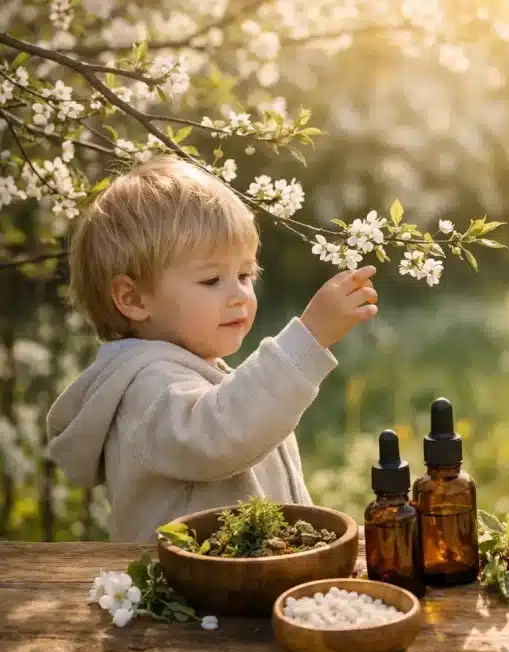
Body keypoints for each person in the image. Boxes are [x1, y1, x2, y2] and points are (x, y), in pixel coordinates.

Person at [45, 156, 380, 543]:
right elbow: (222, 433)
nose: (239, 295)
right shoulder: (144, 388)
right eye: (210, 280)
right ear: (133, 299)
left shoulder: (191, 372)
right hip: (182, 582)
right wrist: (309, 338)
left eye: (245, 274)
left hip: (237, 575)